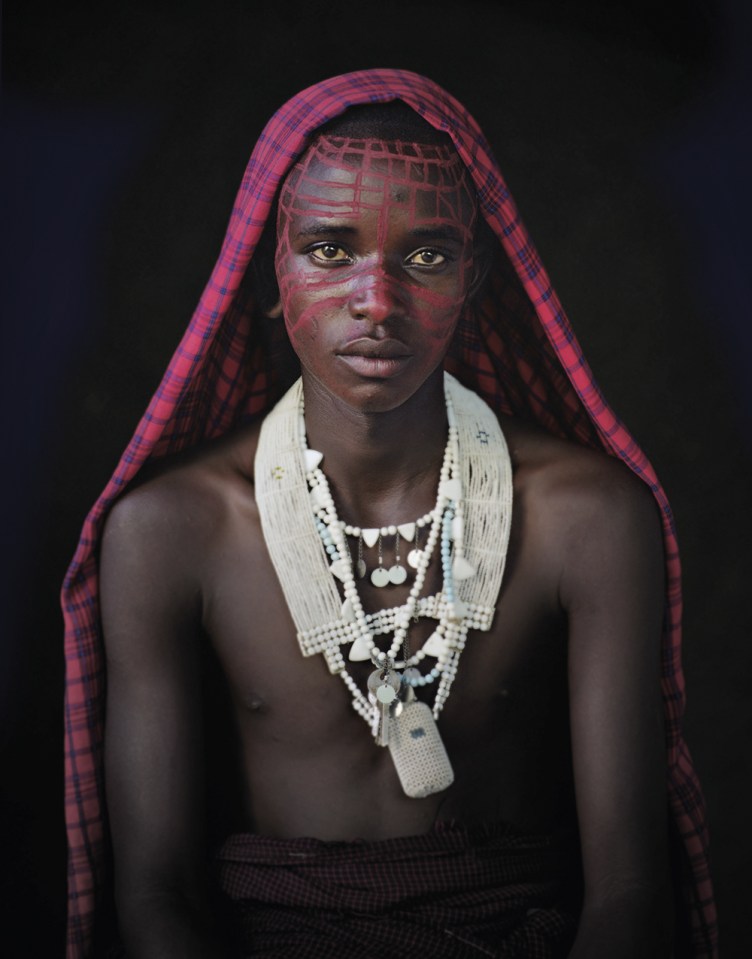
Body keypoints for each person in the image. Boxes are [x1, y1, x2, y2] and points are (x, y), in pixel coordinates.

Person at [62, 69, 718, 958]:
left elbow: (630, 891)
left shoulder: (588, 519)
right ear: (270, 271)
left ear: (473, 277)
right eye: (330, 250)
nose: (377, 303)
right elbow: (156, 895)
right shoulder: (169, 531)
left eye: (427, 256)